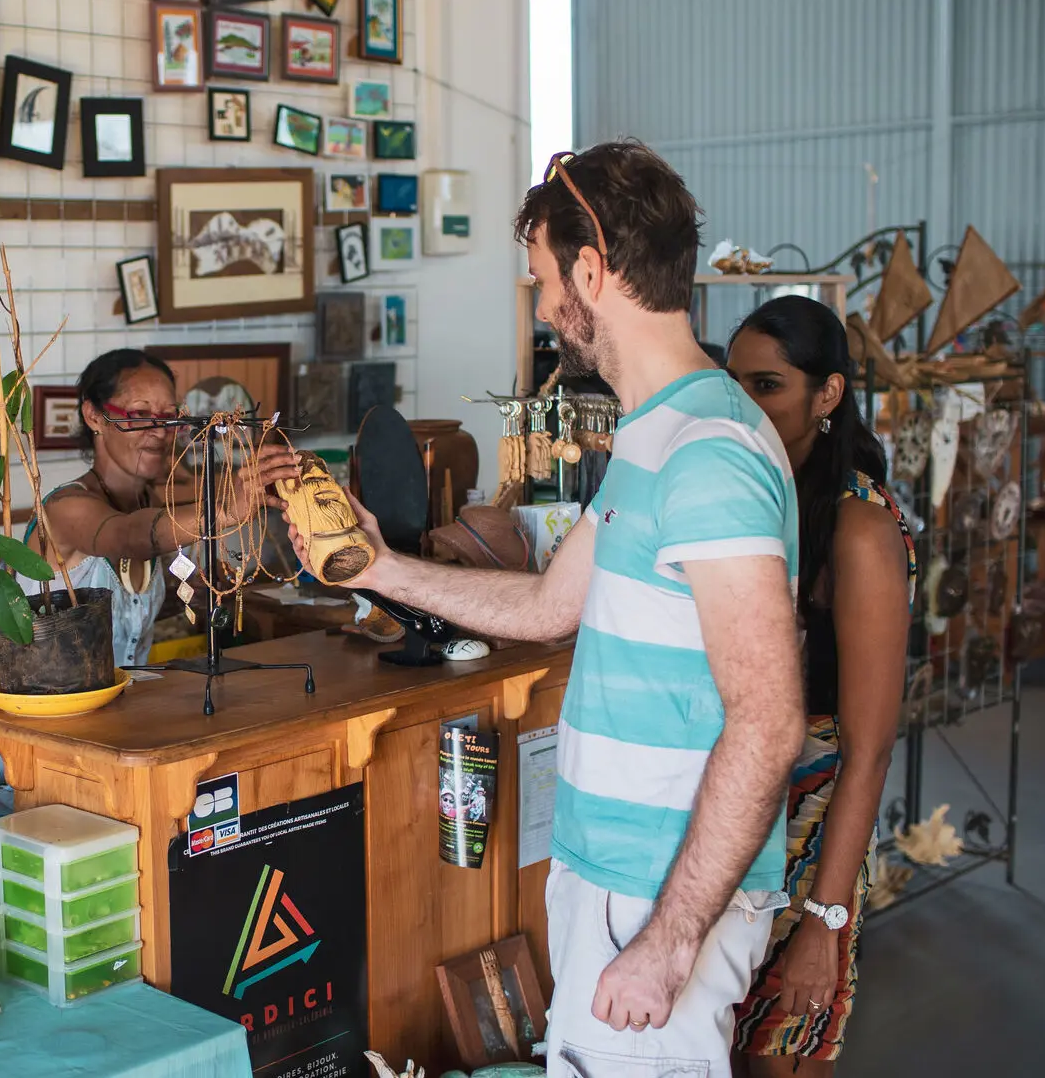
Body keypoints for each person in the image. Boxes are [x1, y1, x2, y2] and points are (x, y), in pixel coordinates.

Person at [286, 141, 806, 1077]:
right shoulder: (658, 433)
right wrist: (375, 568)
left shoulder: (710, 455)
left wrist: (670, 939)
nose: (537, 305)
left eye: (539, 279)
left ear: (593, 273)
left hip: (657, 899)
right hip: (618, 883)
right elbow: (550, 604)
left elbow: (769, 721)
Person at [725, 297, 914, 1075]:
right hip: (734, 818)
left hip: (813, 835)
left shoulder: (860, 529)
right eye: (733, 387)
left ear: (827, 394)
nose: (746, 408)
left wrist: (824, 923)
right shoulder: (751, 499)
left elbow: (868, 752)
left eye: (767, 386)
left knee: (782, 1055)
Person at [23, 348, 296, 665]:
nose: (160, 431)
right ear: (94, 416)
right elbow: (129, 537)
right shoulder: (63, 509)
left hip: (130, 706)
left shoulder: (148, 502)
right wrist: (223, 511)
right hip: (53, 710)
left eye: (169, 416)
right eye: (140, 414)